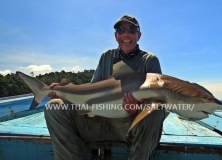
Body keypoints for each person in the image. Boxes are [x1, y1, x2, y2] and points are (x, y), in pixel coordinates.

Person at [45, 15, 165, 160]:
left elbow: (157, 97)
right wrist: (63, 93)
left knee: (156, 109)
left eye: (131, 29)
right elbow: (92, 90)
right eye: (121, 30)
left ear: (139, 35)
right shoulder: (106, 56)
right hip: (100, 121)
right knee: (53, 107)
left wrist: (137, 110)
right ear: (116, 36)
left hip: (129, 126)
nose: (126, 34)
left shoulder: (149, 61)